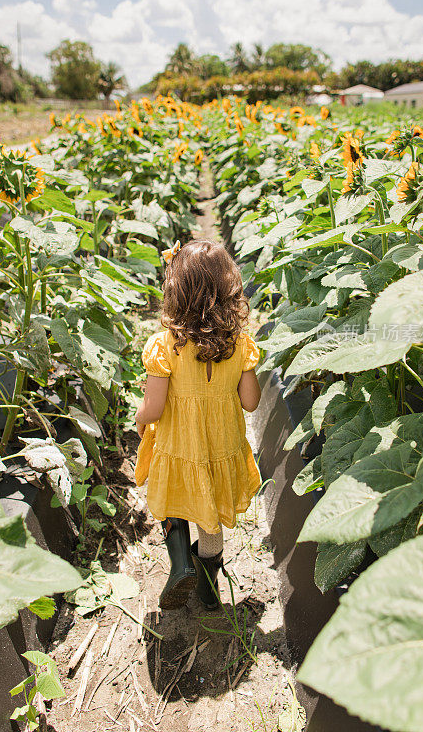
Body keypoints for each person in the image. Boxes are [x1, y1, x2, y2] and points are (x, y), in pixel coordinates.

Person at [134, 238, 262, 611]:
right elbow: (251, 403)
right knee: (211, 519)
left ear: (175, 292)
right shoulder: (240, 345)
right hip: (221, 447)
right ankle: (209, 587)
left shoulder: (166, 346)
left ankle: (180, 565)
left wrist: (141, 419)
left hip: (179, 446)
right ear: (229, 290)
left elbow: (154, 408)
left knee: (173, 494)